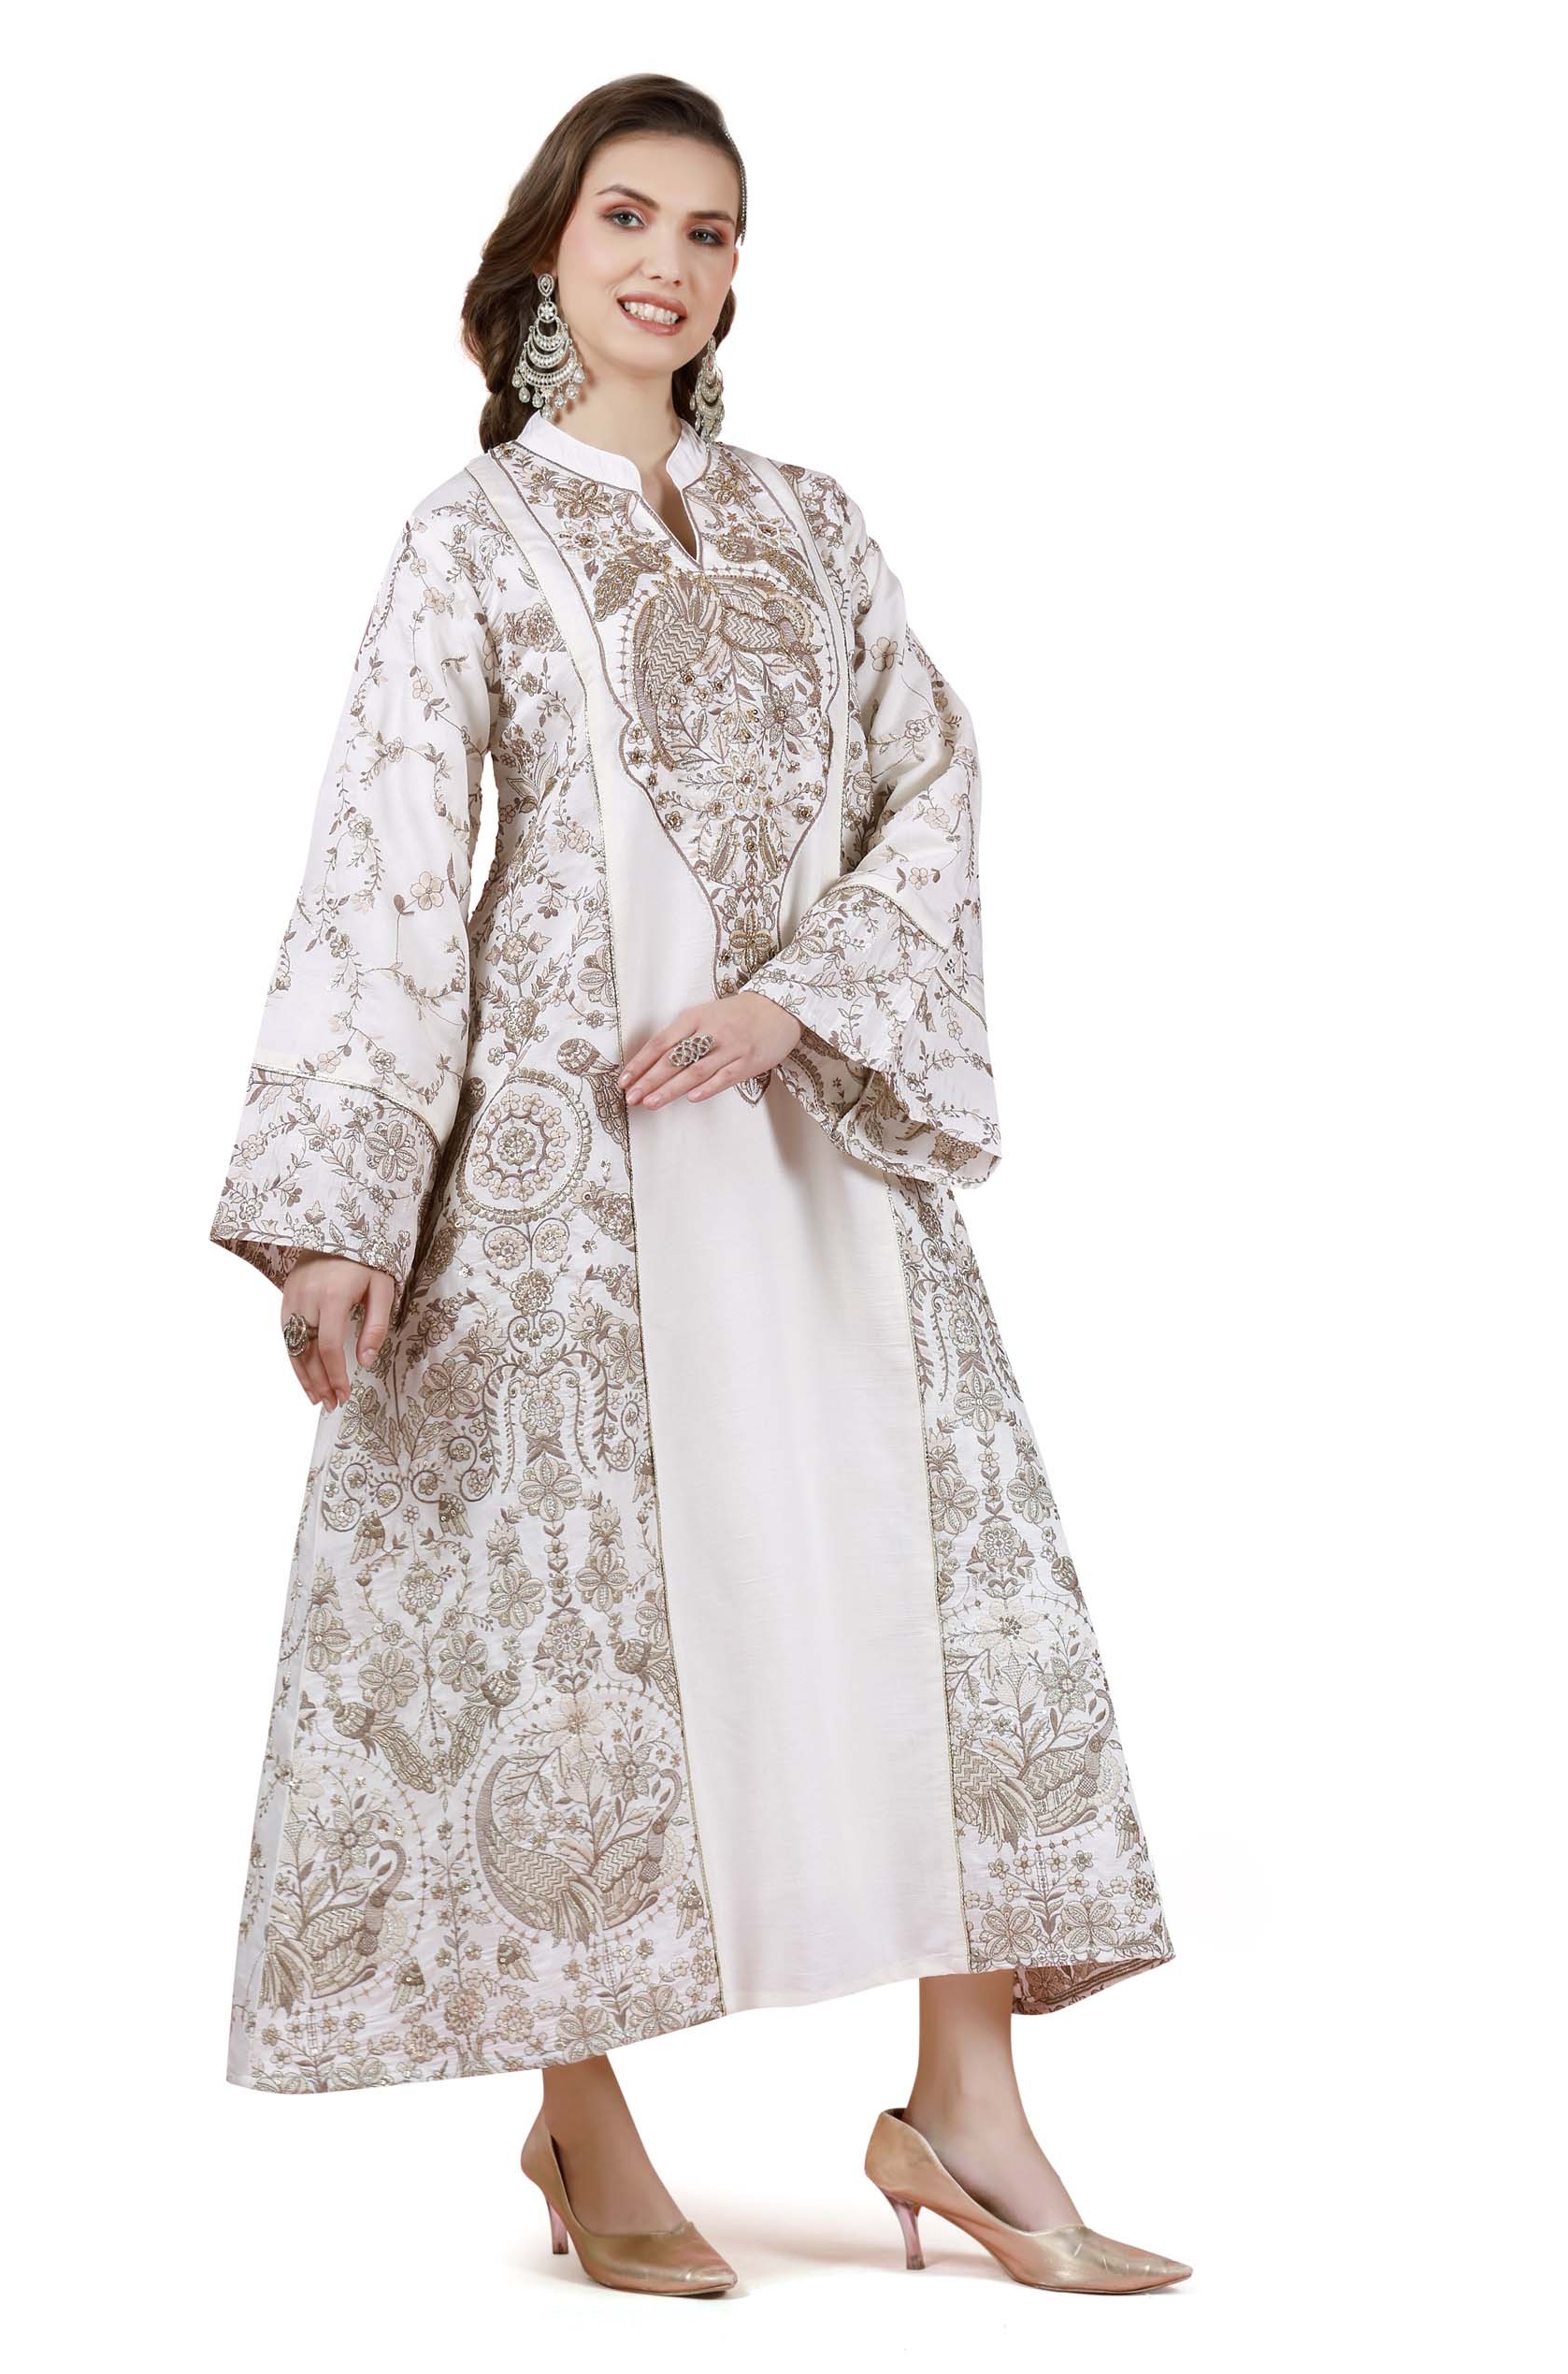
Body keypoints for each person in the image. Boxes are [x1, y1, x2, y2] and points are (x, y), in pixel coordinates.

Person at [209, 71, 1189, 2299]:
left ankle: (964, 2106)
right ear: (548, 252)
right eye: (629, 217)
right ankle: (582, 2117)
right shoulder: (469, 539)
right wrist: (344, 1209)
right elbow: (385, 862)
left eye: (711, 231)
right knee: (578, 1626)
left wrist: (790, 1002)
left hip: (807, 1135)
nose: (669, 261)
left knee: (924, 1580)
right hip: (559, 1170)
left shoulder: (812, 528)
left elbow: (930, 782)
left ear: (737, 279)